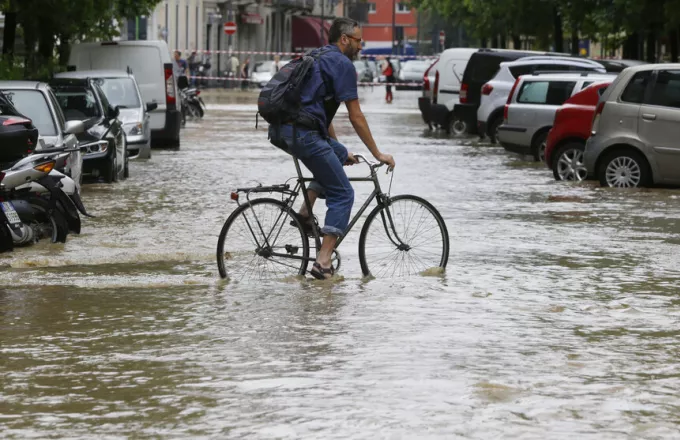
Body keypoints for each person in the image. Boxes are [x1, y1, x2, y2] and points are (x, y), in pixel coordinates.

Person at [268, 17, 396, 280]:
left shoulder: (316, 56)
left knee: (334, 156)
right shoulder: (342, 65)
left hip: (283, 129)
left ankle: (305, 214)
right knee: (343, 193)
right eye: (359, 41)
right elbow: (356, 116)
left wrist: (338, 148)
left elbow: (321, 117)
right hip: (302, 133)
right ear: (345, 39)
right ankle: (323, 262)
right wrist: (377, 154)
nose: (362, 46)